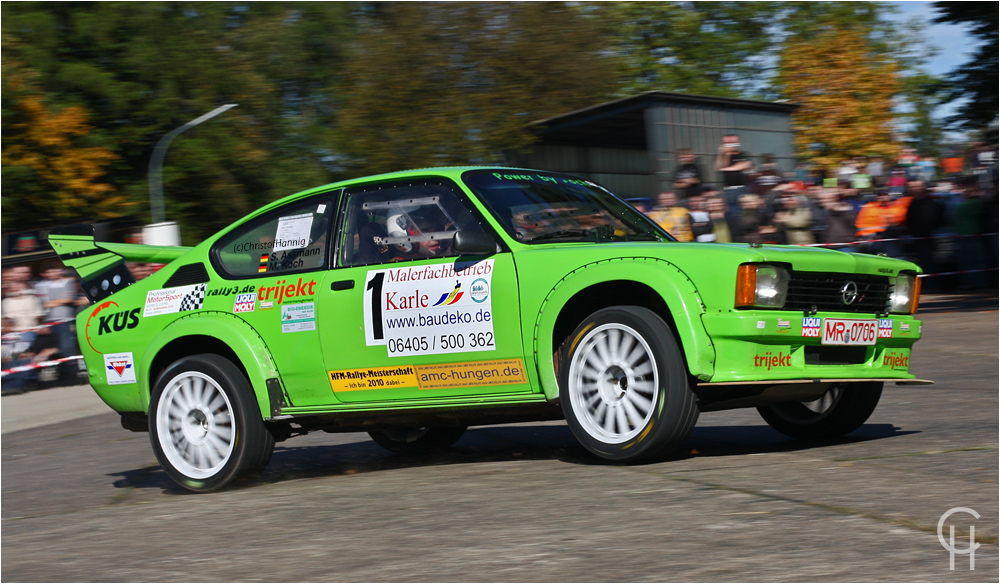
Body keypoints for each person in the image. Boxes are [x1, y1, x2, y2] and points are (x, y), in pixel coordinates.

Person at [904, 180, 943, 277]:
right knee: (923, 262)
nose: (913, 189)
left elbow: (935, 220)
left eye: (915, 187)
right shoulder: (912, 203)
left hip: (927, 237)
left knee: (929, 262)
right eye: (911, 187)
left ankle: (933, 285)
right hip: (917, 237)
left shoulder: (931, 203)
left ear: (922, 187)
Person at [714, 134, 753, 213]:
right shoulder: (722, 156)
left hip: (742, 188)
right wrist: (725, 154)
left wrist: (726, 169)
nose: (732, 146)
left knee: (745, 212)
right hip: (728, 190)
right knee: (731, 213)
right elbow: (717, 167)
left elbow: (745, 165)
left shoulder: (742, 154)